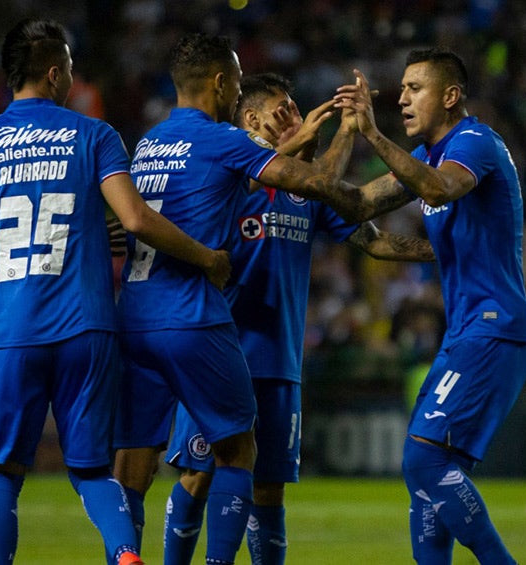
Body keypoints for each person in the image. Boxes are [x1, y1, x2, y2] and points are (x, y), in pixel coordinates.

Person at [0, 18, 230, 565]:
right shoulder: (95, 135)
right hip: (88, 327)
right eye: (72, 70)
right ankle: (125, 555)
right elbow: (136, 219)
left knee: (3, 471)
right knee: (90, 469)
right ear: (55, 74)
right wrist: (206, 257)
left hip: (12, 329)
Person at [160, 72, 437, 565]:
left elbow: (372, 240)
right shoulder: (230, 172)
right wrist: (343, 133)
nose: (295, 116)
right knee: (199, 475)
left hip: (280, 363)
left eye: (295, 108)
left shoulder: (304, 191)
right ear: (251, 119)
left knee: (269, 490)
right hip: (220, 352)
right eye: (283, 110)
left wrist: (448, 252)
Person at [111, 32, 359, 565]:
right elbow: (312, 183)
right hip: (192, 316)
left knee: (133, 463)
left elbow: (128, 222)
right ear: (221, 83)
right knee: (237, 450)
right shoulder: (223, 139)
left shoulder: (150, 145)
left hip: (132, 314)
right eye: (238, 84)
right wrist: (345, 135)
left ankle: (122, 556)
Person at [330, 47, 526, 564]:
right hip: (466, 332)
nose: (401, 98)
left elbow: (441, 191)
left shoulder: (474, 143)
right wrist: (307, 184)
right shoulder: (426, 156)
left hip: (495, 327)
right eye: (400, 89)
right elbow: (360, 208)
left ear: (450, 96)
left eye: (414, 88)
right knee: (428, 471)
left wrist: (374, 135)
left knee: (422, 460)